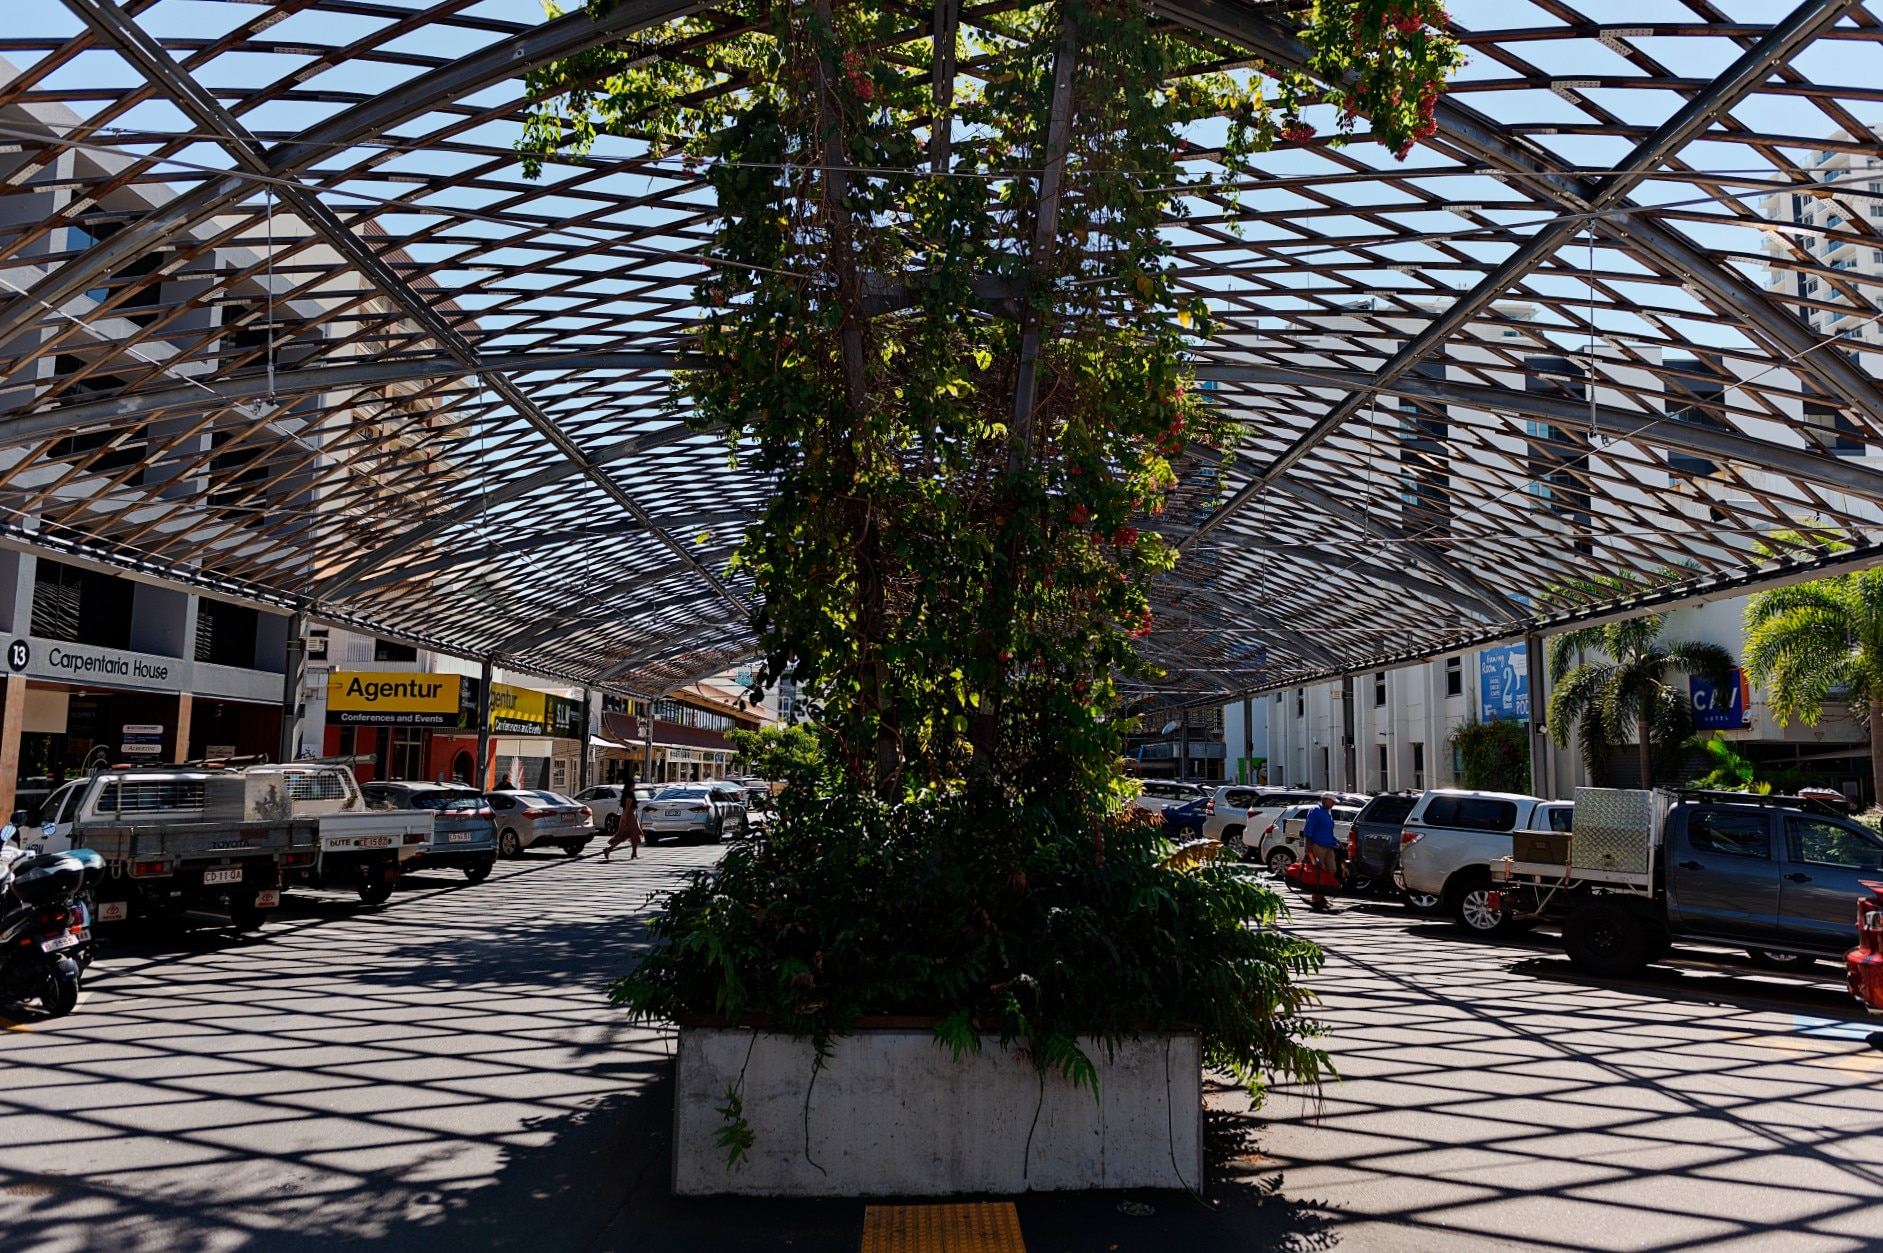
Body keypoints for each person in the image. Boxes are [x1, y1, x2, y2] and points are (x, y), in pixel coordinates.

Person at [1302, 791, 1340, 912]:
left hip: (1329, 845)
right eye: (1332, 801)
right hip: (1317, 845)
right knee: (1319, 871)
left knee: (1332, 869)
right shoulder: (1315, 810)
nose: (1333, 804)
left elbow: (1327, 830)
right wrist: (1308, 845)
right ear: (1325, 800)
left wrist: (1336, 840)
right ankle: (1317, 898)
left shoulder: (1328, 813)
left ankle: (1321, 894)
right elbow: (1309, 828)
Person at [601, 777, 645, 862]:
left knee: (630, 834)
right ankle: (609, 849)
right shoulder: (629, 793)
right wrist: (624, 818)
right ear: (631, 784)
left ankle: (633, 853)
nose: (634, 785)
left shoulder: (625, 793)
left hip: (630, 814)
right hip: (630, 816)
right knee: (630, 833)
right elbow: (628, 807)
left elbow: (627, 805)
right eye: (633, 784)